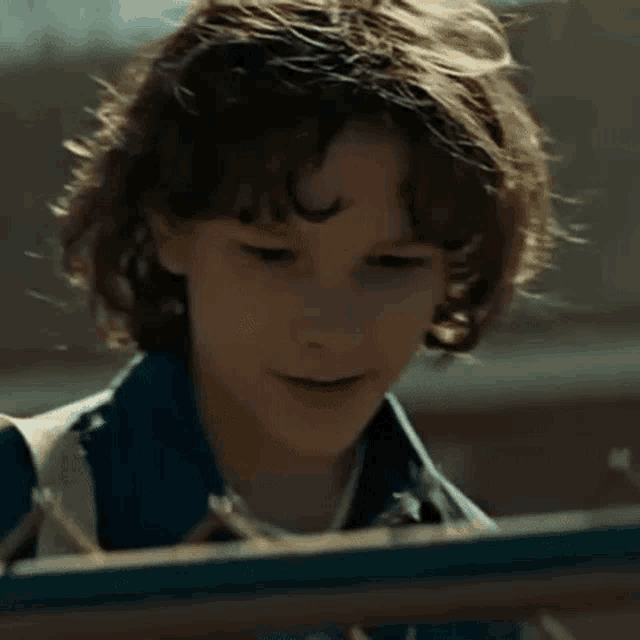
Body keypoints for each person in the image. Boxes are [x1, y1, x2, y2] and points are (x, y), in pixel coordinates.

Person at [0, 0, 576, 637]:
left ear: (452, 272)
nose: (330, 325)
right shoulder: (20, 498)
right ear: (170, 230)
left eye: (391, 263)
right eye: (272, 255)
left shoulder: (479, 586)